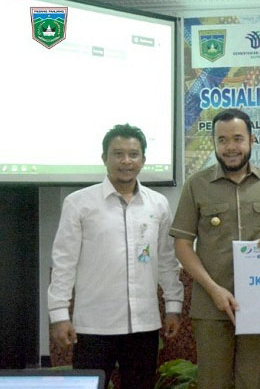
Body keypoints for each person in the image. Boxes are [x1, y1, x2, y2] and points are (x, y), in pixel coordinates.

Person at [48, 123, 184, 389]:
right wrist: (59, 315)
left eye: (133, 154)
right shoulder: (79, 203)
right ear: (104, 158)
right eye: (118, 154)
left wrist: (173, 307)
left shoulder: (158, 204)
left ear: (143, 160)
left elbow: (167, 260)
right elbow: (64, 262)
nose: (126, 161)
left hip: (144, 326)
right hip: (94, 327)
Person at [170, 108, 260, 389]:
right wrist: (213, 289)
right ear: (214, 143)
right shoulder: (196, 185)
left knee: (253, 382)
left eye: (237, 139)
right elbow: (182, 244)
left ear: (252, 140)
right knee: (212, 383)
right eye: (222, 140)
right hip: (211, 306)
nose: (230, 147)